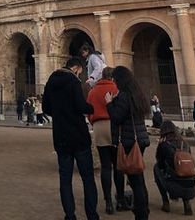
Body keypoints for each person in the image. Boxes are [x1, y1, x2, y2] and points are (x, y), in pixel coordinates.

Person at [43, 56, 100, 220]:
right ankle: (92, 215)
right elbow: (81, 106)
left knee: (65, 179)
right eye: (80, 72)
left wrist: (60, 113)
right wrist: (91, 107)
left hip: (60, 135)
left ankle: (70, 215)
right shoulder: (73, 81)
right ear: (76, 68)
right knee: (88, 178)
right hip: (78, 135)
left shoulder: (50, 82)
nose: (80, 75)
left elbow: (46, 107)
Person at [105, 66, 150, 220]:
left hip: (130, 141)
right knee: (139, 177)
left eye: (115, 79)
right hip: (140, 139)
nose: (114, 82)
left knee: (135, 181)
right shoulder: (138, 94)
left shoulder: (124, 96)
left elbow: (117, 118)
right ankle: (144, 210)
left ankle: (141, 214)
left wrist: (110, 103)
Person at [87, 67, 126, 213]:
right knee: (118, 165)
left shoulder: (93, 91)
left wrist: (94, 122)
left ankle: (108, 202)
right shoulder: (117, 88)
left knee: (105, 166)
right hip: (115, 126)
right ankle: (120, 200)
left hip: (98, 127)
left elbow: (89, 111)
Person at [153, 120, 195, 216]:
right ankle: (187, 203)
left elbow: (160, 164)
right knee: (184, 171)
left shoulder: (163, 145)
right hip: (191, 187)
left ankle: (165, 202)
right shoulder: (185, 143)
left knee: (156, 168)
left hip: (174, 188)